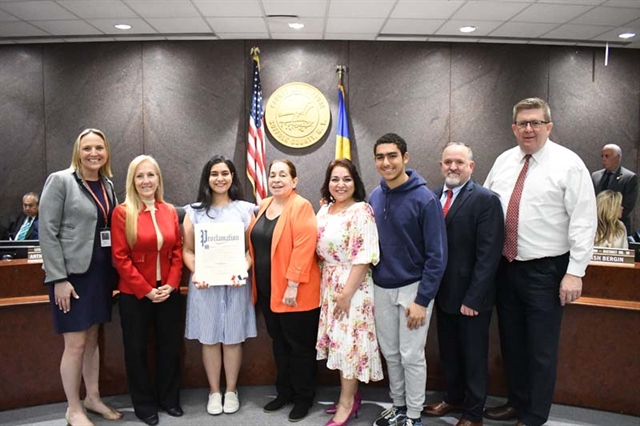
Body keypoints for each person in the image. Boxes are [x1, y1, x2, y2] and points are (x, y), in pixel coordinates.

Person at [483, 98, 597, 426]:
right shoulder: (504, 161)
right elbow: (487, 204)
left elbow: (583, 221)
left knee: (541, 349)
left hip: (546, 271)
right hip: (506, 267)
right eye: (523, 123)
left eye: (536, 122)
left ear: (549, 126)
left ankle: (534, 415)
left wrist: (575, 273)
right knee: (513, 343)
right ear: (514, 128)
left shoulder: (569, 164)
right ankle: (516, 403)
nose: (529, 129)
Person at [39, 128, 122, 426]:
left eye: (99, 147)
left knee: (91, 340)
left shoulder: (108, 185)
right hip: (72, 277)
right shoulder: (60, 181)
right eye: (87, 148)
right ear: (78, 151)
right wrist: (58, 278)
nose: (93, 153)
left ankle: (93, 397)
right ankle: (73, 408)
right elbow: (46, 232)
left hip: (100, 275)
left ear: (106, 152)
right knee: (74, 344)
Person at [369, 133, 448, 426]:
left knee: (411, 354)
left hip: (413, 288)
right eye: (380, 157)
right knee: (390, 353)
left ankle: (413, 413)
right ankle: (398, 405)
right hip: (381, 287)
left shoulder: (425, 199)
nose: (386, 162)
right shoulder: (375, 196)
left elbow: (437, 256)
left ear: (405, 158)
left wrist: (422, 300)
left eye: (392, 156)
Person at [423, 143, 504, 426]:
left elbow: (489, 255)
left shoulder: (486, 200)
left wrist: (474, 298)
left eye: (459, 162)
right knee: (449, 352)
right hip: (441, 295)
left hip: (471, 298)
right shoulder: (432, 197)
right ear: (441, 165)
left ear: (471, 166)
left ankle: (473, 413)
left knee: (473, 357)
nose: (453, 167)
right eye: (447, 162)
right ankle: (453, 398)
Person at [111, 155, 184, 426]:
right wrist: (146, 290)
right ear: (132, 180)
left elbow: (177, 250)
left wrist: (172, 284)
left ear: (158, 179)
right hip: (135, 294)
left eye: (150, 175)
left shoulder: (169, 210)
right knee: (136, 349)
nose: (146, 181)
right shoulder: (122, 212)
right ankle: (144, 405)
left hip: (167, 291)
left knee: (169, 347)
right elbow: (120, 258)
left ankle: (169, 399)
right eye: (140, 176)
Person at [247, 159, 321, 422]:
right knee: (279, 345)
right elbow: (257, 246)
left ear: (295, 181)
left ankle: (304, 398)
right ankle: (285, 392)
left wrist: (292, 285)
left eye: (283, 175)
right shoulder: (264, 205)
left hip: (295, 294)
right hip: (268, 292)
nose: (276, 179)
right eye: (273, 175)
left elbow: (304, 247)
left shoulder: (300, 206)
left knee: (300, 348)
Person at [183, 156, 257, 416]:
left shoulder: (247, 210)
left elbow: (251, 251)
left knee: (234, 338)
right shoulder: (194, 212)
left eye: (225, 173)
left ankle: (231, 390)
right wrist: (197, 271)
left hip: (236, 284)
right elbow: (188, 250)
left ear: (233, 177)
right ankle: (215, 391)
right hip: (205, 285)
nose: (220, 178)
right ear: (207, 178)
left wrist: (242, 269)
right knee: (210, 338)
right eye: (214, 174)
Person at [315, 159, 383, 426]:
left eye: (346, 179)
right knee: (338, 343)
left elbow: (364, 256)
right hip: (329, 283)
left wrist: (345, 294)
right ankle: (350, 396)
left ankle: (347, 403)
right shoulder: (324, 210)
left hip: (352, 287)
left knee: (349, 345)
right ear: (327, 183)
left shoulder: (361, 211)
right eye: (335, 179)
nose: (340, 184)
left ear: (355, 182)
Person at [592, 144, 637, 235]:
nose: (604, 159)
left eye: (607, 156)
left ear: (618, 157)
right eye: (602, 156)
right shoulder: (595, 176)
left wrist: (608, 218)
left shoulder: (629, 177)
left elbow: (628, 205)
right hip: (597, 225)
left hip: (617, 226)